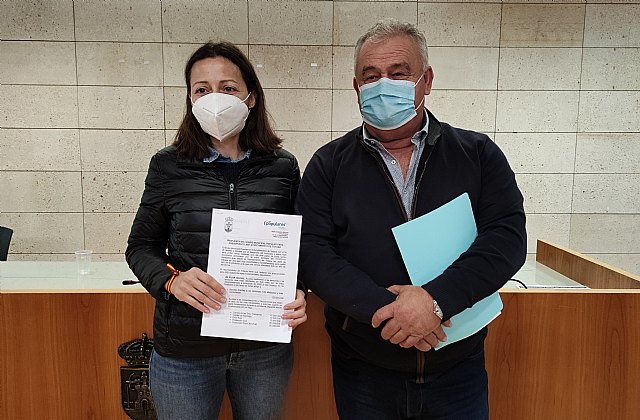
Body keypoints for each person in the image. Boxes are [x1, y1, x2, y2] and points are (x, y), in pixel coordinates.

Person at [296, 20, 526, 419]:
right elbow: (312, 251)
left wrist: (435, 302)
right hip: (364, 366)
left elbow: (506, 238)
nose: (383, 84)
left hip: (458, 365)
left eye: (399, 73)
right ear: (357, 88)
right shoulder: (328, 164)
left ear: (426, 80)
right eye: (371, 76)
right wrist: (393, 312)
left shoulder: (477, 153)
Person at [126, 41, 307, 420]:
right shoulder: (167, 166)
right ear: (191, 100)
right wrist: (172, 280)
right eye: (202, 89)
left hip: (263, 348)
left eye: (228, 88)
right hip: (185, 349)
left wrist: (300, 289)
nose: (215, 99)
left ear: (250, 97)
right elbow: (140, 247)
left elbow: (301, 247)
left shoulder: (282, 167)